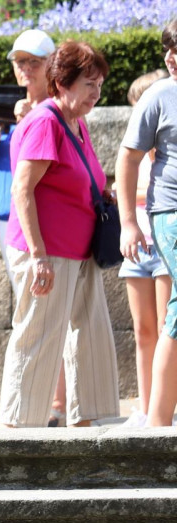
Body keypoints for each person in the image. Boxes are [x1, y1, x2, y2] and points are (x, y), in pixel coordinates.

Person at [0, 40, 119, 428]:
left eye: (99, 84)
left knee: (91, 334)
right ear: (63, 83)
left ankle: (92, 422)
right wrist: (38, 254)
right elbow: (22, 189)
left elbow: (81, 177)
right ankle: (17, 430)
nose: (96, 93)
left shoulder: (75, 122)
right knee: (39, 336)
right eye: (89, 84)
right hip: (48, 252)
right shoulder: (45, 121)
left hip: (79, 249)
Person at [0, 29, 69, 426]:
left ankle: (57, 403)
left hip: (40, 227)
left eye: (34, 61)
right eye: (20, 62)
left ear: (51, 65)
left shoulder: (53, 112)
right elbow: (9, 177)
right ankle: (48, 402)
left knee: (46, 314)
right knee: (33, 313)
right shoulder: (10, 112)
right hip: (8, 218)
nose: (26, 69)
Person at [120, 24, 177, 428]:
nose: (170, 57)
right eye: (168, 49)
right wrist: (127, 223)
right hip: (171, 214)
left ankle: (159, 421)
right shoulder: (159, 95)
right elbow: (127, 160)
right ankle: (157, 422)